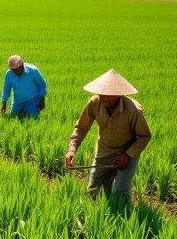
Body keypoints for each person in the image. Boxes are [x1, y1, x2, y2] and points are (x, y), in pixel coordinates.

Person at [65, 70, 152, 202]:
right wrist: (72, 149)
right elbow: (82, 127)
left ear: (118, 94)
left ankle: (123, 216)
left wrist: (127, 156)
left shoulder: (134, 110)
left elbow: (144, 136)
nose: (102, 98)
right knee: (94, 191)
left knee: (120, 192)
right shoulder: (95, 103)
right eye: (100, 94)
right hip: (104, 152)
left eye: (107, 95)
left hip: (127, 153)